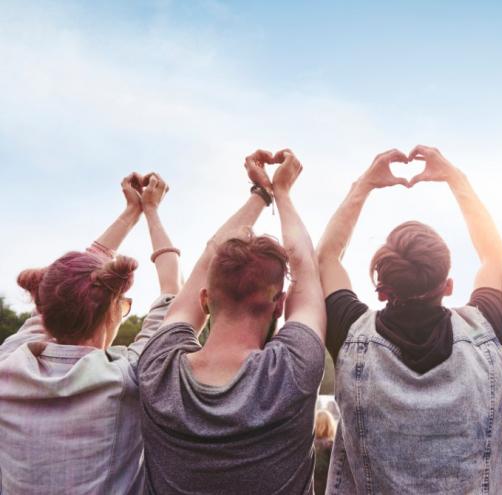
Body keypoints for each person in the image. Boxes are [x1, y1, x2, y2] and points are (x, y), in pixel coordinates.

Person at [317, 146, 502, 493]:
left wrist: (364, 185)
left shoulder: (351, 335)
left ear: (381, 291)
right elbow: (495, 256)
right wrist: (456, 179)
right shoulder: (485, 329)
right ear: (448, 286)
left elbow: (326, 258)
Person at [136, 149, 326, 494]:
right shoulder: (294, 370)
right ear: (279, 305)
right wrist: (282, 193)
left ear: (205, 300)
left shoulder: (156, 368)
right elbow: (305, 265)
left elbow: (208, 256)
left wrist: (260, 196)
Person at [0, 173, 180, 494]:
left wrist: (129, 213)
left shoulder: (8, 364)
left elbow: (66, 286)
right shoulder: (126, 377)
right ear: (110, 313)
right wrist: (151, 210)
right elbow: (172, 293)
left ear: (43, 308)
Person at [314, 410, 337, 495]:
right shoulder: (331, 445)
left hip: (311, 487)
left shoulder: (308, 445)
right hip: (327, 487)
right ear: (330, 425)